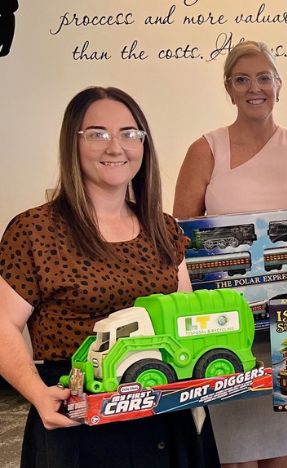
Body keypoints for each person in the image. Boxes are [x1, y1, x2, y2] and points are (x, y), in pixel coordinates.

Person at [0, 86, 218, 467]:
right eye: (98, 133)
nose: (116, 147)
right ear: (73, 143)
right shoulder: (35, 230)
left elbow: (186, 317)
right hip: (81, 420)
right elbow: (2, 323)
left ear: (143, 144)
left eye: (129, 134)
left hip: (166, 412)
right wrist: (35, 391)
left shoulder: (163, 229)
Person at [173, 40, 287, 468]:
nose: (253, 88)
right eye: (242, 79)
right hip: (230, 328)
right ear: (229, 88)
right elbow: (179, 238)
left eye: (263, 77)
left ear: (279, 84)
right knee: (235, 457)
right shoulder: (205, 149)